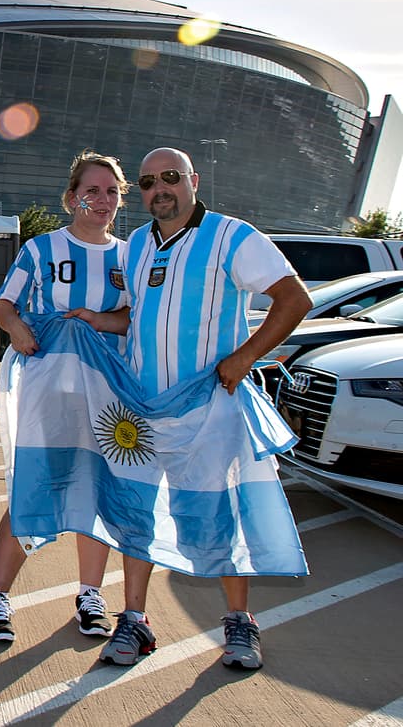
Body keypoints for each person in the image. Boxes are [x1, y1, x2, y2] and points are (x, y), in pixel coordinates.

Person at [90, 146, 311, 671]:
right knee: (137, 513)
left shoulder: (234, 236)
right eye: (146, 182)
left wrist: (243, 358)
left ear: (192, 179)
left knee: (222, 513)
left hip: (211, 404)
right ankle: (135, 620)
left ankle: (239, 622)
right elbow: (139, 317)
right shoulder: (137, 245)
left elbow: (294, 299)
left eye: (169, 178)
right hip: (144, 408)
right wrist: (99, 322)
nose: (158, 189)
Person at [0, 152, 130, 643]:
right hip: (48, 390)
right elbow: (3, 305)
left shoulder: (130, 256)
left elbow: (134, 320)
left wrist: (98, 321)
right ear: (71, 198)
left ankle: (90, 595)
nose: (102, 200)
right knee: (34, 484)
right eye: (92, 190)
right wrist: (18, 328)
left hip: (107, 393)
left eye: (112, 191)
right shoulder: (41, 248)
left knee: (96, 491)